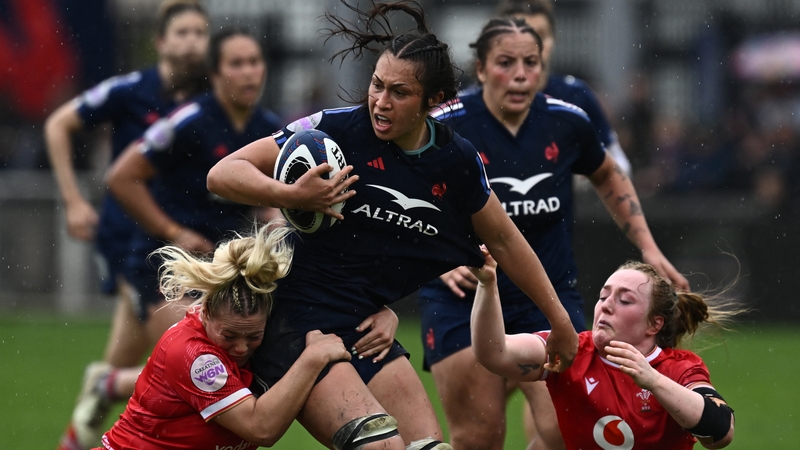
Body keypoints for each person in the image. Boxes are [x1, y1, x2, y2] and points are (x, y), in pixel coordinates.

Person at [206, 1, 578, 448]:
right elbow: (222, 174)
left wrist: (560, 323)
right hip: (297, 317)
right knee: (382, 446)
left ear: (434, 102)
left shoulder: (456, 161)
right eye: (377, 85)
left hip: (364, 326)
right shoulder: (337, 130)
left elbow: (504, 239)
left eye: (399, 93)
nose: (380, 102)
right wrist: (291, 195)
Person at [416, 16, 690, 450]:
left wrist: (648, 246)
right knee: (480, 436)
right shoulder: (446, 124)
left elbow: (608, 174)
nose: (522, 74)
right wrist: (434, 257)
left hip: (545, 294)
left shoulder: (568, 121)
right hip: (464, 298)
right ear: (482, 69)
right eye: (506, 62)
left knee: (565, 433)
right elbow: (400, 191)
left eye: (532, 62)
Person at [45, 2, 209, 449]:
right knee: (193, 359)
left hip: (185, 247)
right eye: (183, 32)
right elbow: (58, 124)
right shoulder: (132, 90)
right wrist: (74, 201)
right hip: (134, 244)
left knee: (134, 364)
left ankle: (80, 433)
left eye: (200, 32)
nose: (193, 41)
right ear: (161, 42)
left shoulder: (211, 100)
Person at [94, 222, 352, 450]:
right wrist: (311, 359)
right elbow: (260, 428)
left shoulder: (266, 327)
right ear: (205, 313)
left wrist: (382, 311)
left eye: (253, 336)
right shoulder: (195, 357)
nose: (241, 347)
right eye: (229, 335)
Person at [469, 247, 737, 449]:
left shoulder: (678, 368)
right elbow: (493, 353)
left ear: (654, 325)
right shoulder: (572, 351)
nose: (606, 305)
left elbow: (721, 432)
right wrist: (487, 283)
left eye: (625, 300)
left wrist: (653, 380)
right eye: (603, 295)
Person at [498, 0, 632, 176]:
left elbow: (621, 166)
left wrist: (584, 173)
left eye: (541, 35)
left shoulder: (577, 96)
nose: (531, 45)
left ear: (554, 40)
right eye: (520, 36)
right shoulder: (476, 102)